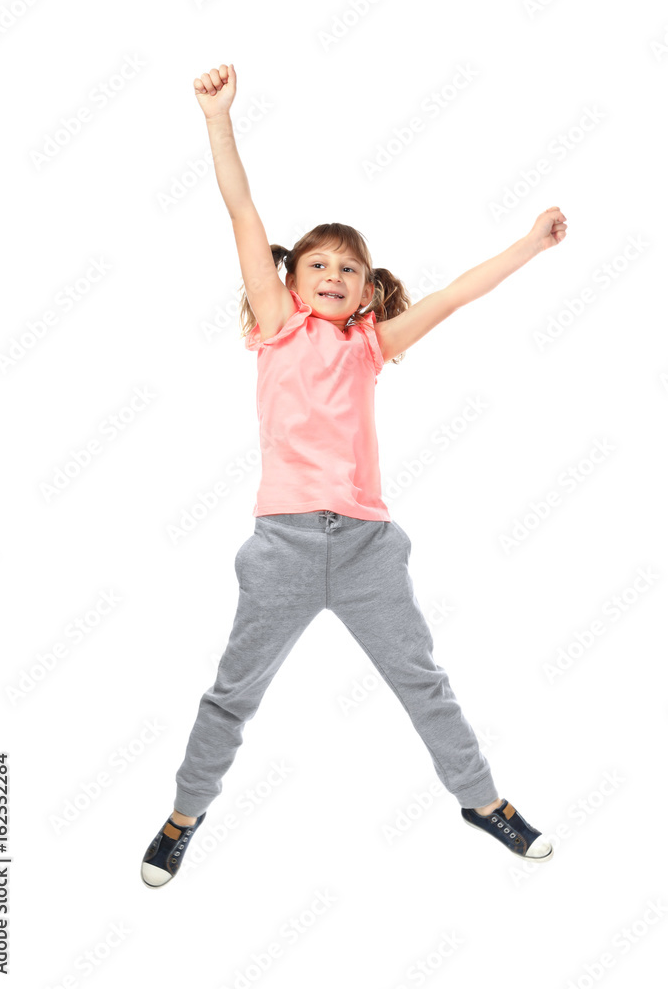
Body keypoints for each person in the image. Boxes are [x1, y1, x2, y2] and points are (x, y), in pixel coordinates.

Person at [141, 63, 568, 887]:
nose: (332, 276)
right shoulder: (276, 327)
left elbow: (451, 296)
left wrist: (528, 243)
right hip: (284, 548)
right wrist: (218, 120)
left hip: (370, 548)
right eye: (317, 266)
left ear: (366, 290)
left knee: (424, 684)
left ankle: (482, 802)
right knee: (233, 696)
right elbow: (241, 210)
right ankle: (182, 816)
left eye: (348, 269)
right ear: (291, 280)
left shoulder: (372, 344)